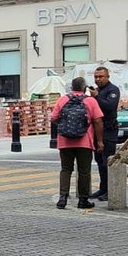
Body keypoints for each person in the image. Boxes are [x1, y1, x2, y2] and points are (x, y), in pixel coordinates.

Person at [50, 77, 104, 210]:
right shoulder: (90, 101)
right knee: (84, 171)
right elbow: (98, 121)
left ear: (71, 87)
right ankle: (83, 200)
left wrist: (66, 126)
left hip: (65, 141)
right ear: (84, 87)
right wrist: (99, 141)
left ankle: (63, 198)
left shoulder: (63, 99)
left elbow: (54, 118)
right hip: (84, 141)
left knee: (66, 169)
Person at [90, 67, 121, 201]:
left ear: (108, 76)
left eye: (101, 77)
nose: (98, 79)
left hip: (109, 129)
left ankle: (110, 191)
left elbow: (110, 106)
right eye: (96, 77)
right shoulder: (98, 90)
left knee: (107, 160)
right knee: (99, 160)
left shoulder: (112, 90)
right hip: (97, 130)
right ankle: (103, 189)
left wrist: (96, 97)